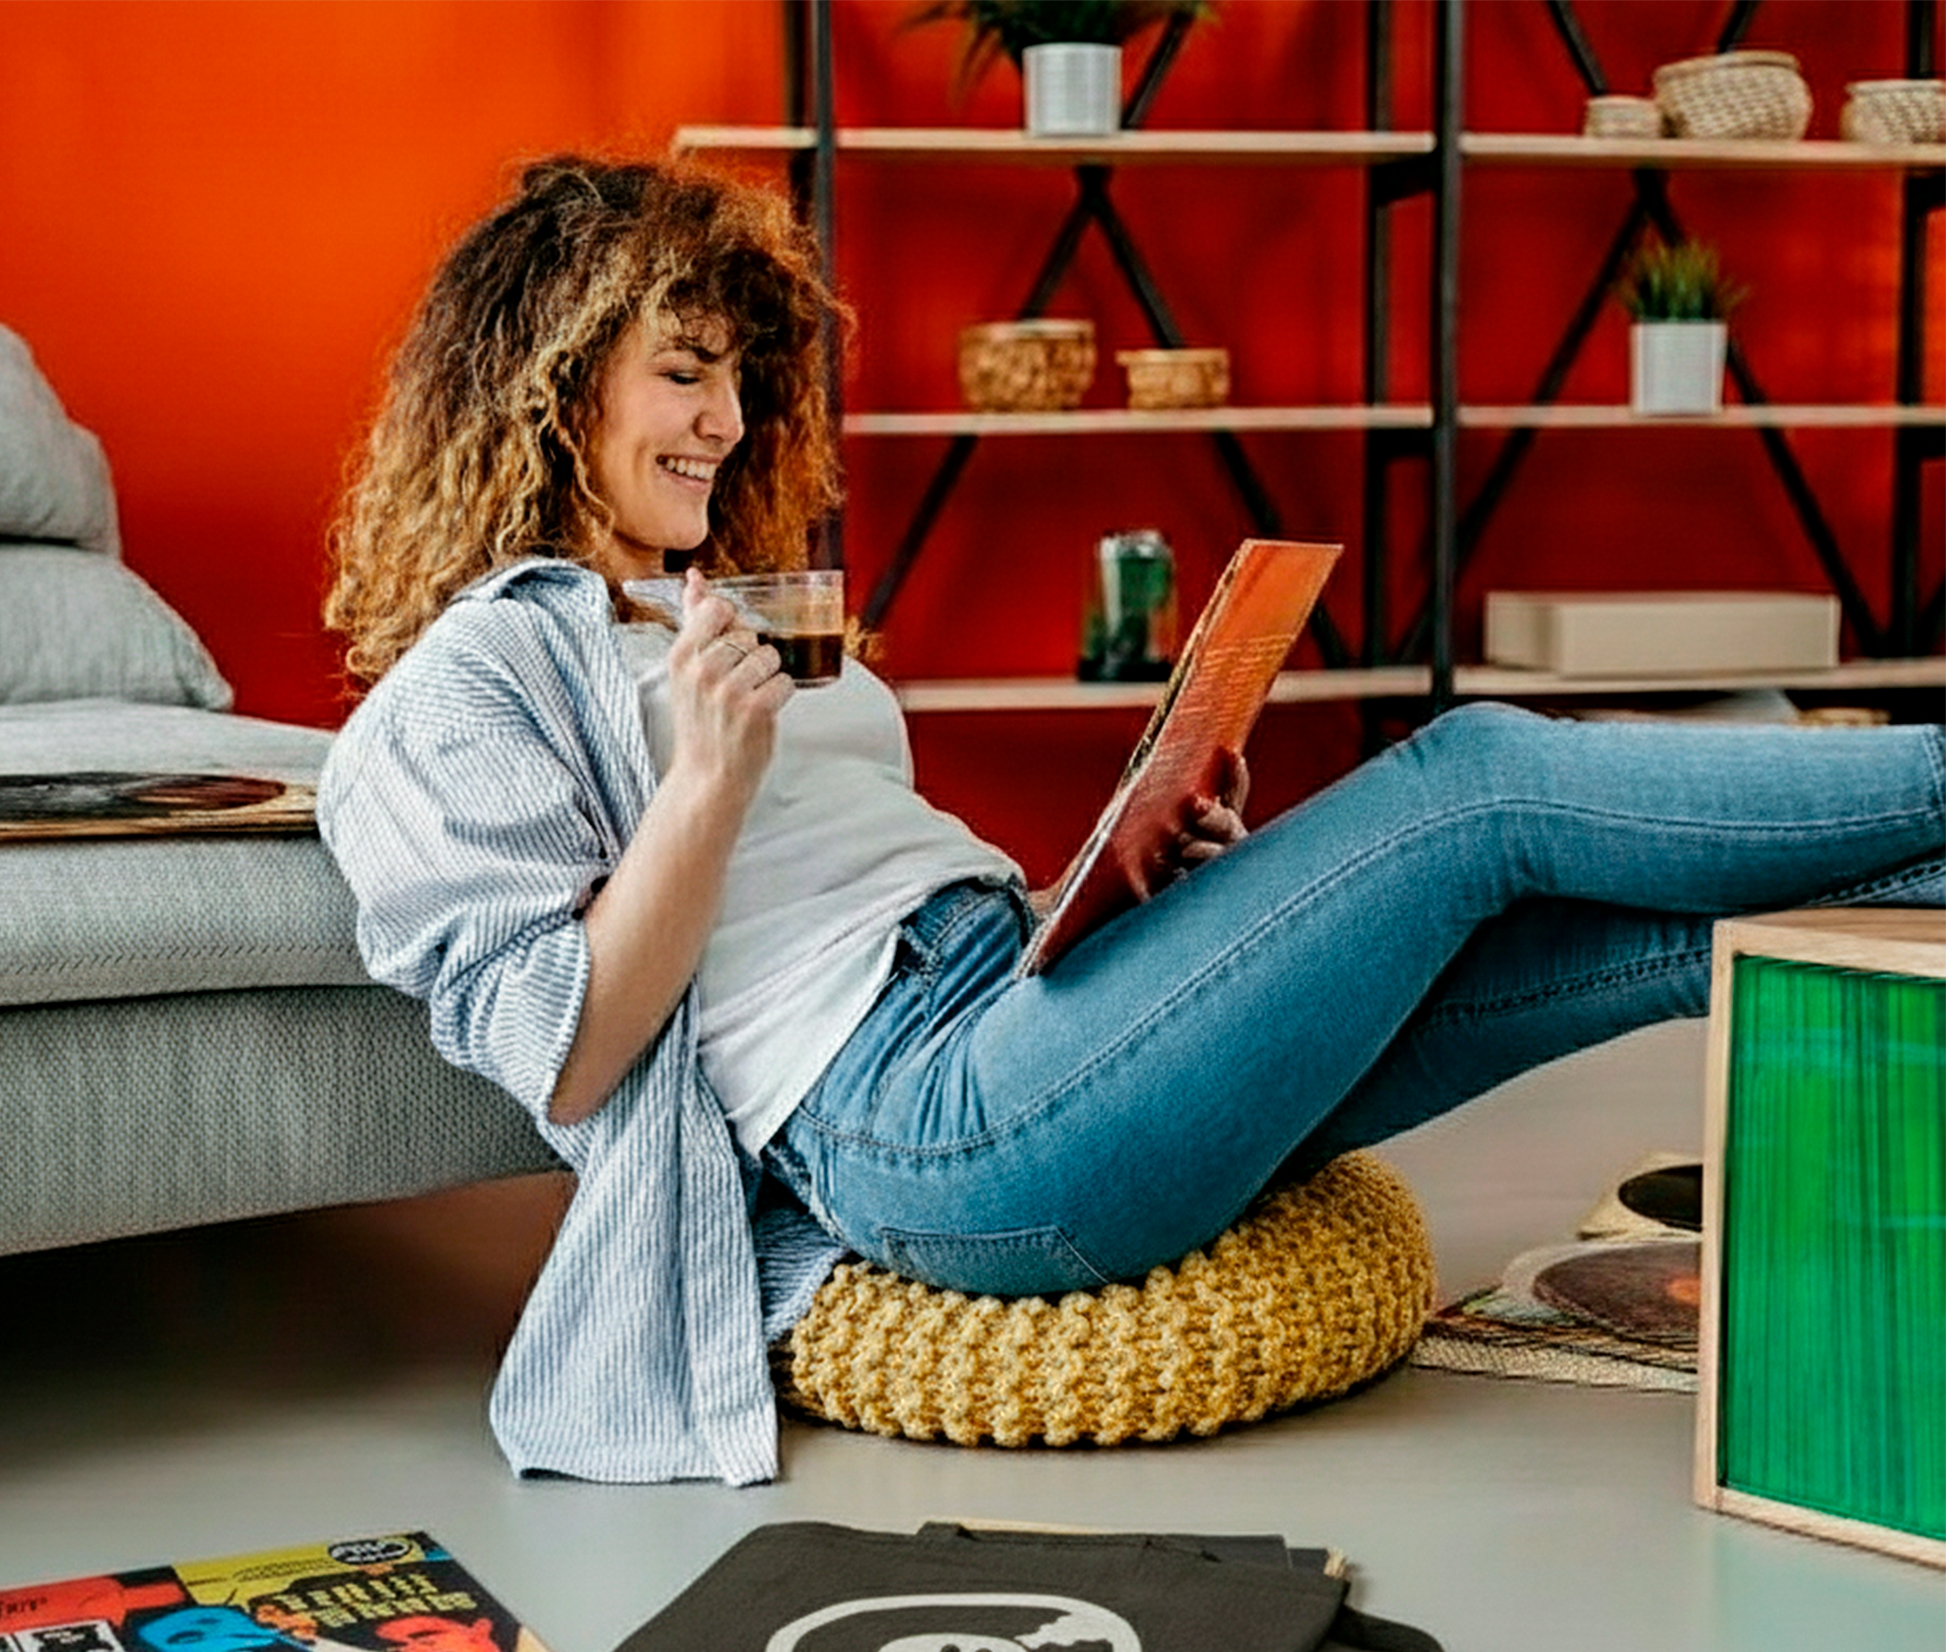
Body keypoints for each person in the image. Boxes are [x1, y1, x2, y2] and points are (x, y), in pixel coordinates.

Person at [319, 153, 1946, 1486]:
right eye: (682, 374)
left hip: (1010, 1003)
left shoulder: (705, 611)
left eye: (738, 378)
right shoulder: (457, 689)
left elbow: (867, 883)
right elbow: (567, 1047)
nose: (729, 421)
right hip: (922, 1121)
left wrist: (1124, 883)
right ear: (540, 382)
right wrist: (702, 783)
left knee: (1633, 937)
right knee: (1476, 785)